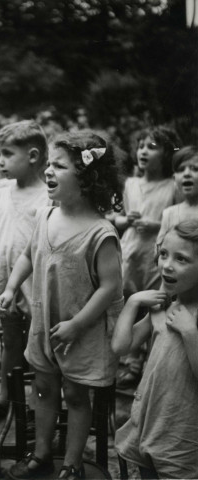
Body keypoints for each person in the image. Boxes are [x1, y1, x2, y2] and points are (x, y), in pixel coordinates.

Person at [0, 131, 124, 479]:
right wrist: (10, 287)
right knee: (43, 388)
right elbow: (26, 256)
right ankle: (40, 452)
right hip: (45, 326)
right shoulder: (45, 215)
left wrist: (78, 325)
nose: (49, 172)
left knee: (76, 395)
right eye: (49, 164)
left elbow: (110, 287)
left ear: (87, 177)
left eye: (60, 165)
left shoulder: (100, 232)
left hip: (79, 330)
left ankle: (71, 463)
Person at [0, 120, 50, 426]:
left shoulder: (47, 197)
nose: (0, 161)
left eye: (7, 154)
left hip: (34, 286)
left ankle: (36, 404)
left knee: (38, 349)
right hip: (4, 283)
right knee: (10, 343)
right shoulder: (0, 194)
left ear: (32, 156)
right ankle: (5, 399)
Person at [113, 220, 198, 479]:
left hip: (183, 431)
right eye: (163, 254)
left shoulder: (192, 318)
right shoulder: (164, 305)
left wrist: (190, 332)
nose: (167, 265)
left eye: (181, 259)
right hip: (150, 420)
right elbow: (120, 346)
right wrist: (133, 303)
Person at [114, 126, 181, 388]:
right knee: (131, 303)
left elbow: (178, 218)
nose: (143, 151)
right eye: (141, 146)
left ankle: (153, 363)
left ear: (166, 154)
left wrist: (156, 226)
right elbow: (115, 218)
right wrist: (124, 219)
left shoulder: (172, 185)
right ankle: (131, 363)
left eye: (152, 147)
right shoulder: (130, 184)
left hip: (157, 254)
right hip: (130, 253)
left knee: (156, 306)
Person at [157, 145, 198, 244]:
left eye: (195, 169)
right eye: (181, 169)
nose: (186, 173)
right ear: (174, 178)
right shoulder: (169, 214)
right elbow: (159, 250)